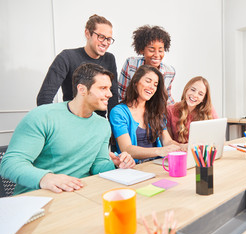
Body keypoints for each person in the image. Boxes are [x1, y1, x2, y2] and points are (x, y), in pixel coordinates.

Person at [0, 63, 135, 195]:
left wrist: (115, 164)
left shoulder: (102, 125)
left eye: (109, 88)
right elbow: (10, 163)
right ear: (82, 89)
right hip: (38, 196)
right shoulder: (42, 116)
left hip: (79, 194)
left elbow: (97, 166)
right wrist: (46, 178)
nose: (110, 94)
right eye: (103, 88)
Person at [36, 14, 118, 117]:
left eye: (109, 39)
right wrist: (54, 125)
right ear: (87, 33)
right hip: (72, 120)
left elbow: (113, 97)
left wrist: (113, 129)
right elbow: (45, 97)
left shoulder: (109, 59)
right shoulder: (67, 57)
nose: (105, 43)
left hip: (98, 123)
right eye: (101, 37)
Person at [110, 65, 184, 164]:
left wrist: (183, 147)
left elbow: (167, 141)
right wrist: (159, 151)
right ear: (136, 82)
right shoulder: (119, 112)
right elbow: (127, 149)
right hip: (132, 168)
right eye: (148, 81)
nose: (151, 87)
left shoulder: (156, 110)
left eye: (155, 84)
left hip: (156, 165)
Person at [118, 25, 175, 105]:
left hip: (154, 113)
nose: (156, 55)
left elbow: (166, 98)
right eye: (151, 50)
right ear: (142, 50)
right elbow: (121, 94)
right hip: (130, 109)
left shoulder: (170, 72)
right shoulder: (131, 64)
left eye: (160, 50)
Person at [166, 76, 218, 143]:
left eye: (200, 94)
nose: (195, 95)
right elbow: (168, 142)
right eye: (193, 90)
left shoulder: (208, 110)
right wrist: (184, 147)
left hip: (201, 151)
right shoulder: (170, 110)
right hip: (179, 151)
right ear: (186, 90)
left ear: (203, 99)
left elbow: (218, 137)